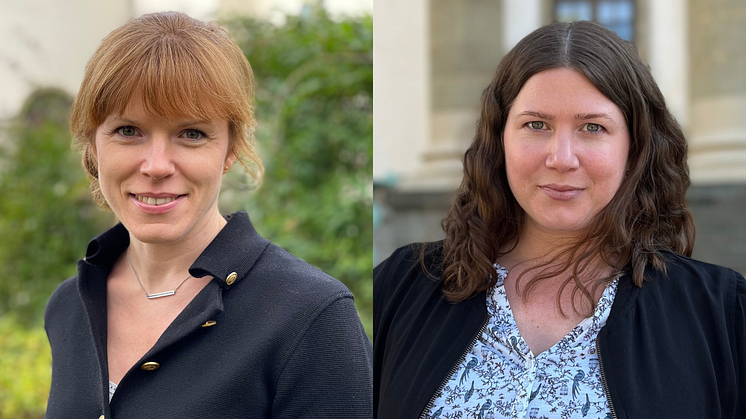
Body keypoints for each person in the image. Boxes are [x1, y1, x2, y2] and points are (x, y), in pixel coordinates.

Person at [373, 20, 746, 419]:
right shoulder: (401, 286)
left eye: (592, 127)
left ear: (635, 148)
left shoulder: (721, 312)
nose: (562, 158)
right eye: (536, 124)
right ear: (499, 139)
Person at [44, 11, 372, 418]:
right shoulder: (68, 307)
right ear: (93, 144)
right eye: (128, 130)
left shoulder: (312, 318)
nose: (157, 165)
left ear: (230, 150)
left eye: (192, 133)